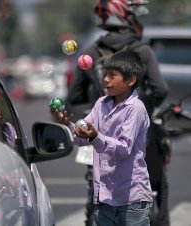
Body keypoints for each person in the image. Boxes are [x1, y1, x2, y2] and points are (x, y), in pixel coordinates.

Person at [65, 0, 170, 225]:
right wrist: (143, 110)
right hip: (138, 142)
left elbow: (73, 99)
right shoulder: (142, 51)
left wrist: (97, 113)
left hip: (98, 136)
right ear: (125, 15)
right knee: (158, 186)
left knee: (96, 190)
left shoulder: (89, 53)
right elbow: (160, 89)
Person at [53, 49, 153, 226]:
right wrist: (69, 124)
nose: (106, 80)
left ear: (131, 80)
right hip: (104, 199)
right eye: (106, 75)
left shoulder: (135, 109)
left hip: (131, 201)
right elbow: (82, 137)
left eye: (113, 75)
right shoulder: (101, 104)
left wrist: (95, 136)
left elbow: (123, 149)